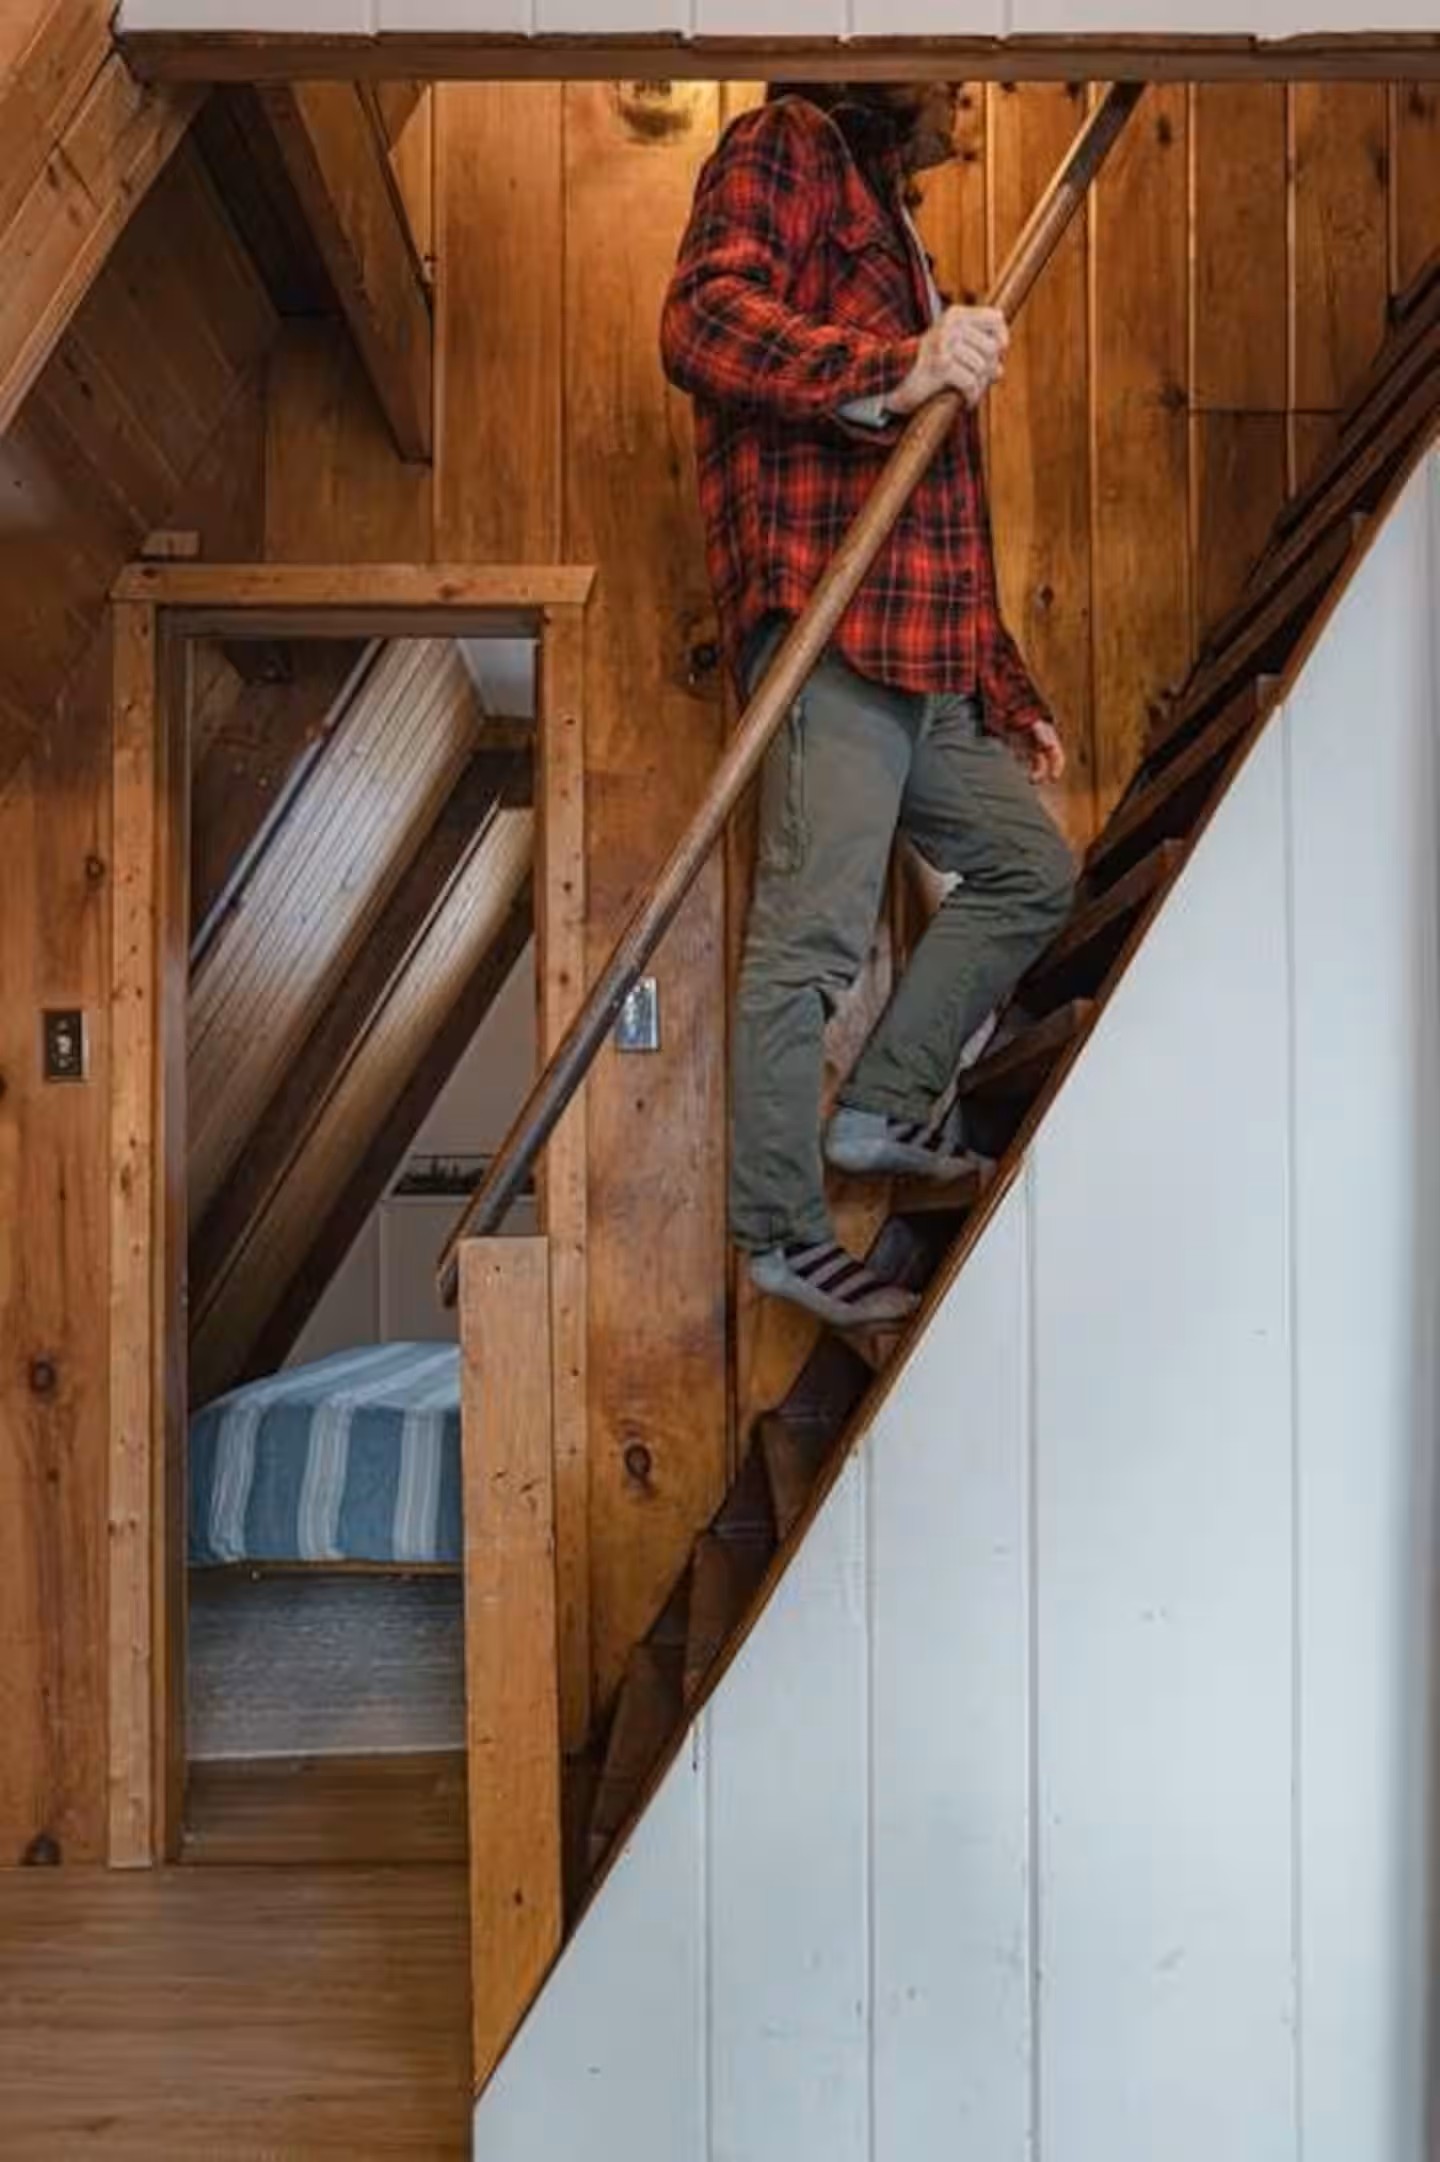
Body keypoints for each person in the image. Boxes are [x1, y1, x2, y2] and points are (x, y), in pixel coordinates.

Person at [661, 81, 1076, 1331]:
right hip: (830, 619)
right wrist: (891, 367)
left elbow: (937, 499)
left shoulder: (898, 223)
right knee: (814, 932)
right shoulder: (787, 145)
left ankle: (886, 1104)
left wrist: (1004, 683)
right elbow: (702, 320)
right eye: (957, 78)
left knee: (1029, 869)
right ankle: (782, 1230)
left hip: (928, 645)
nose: (970, 102)